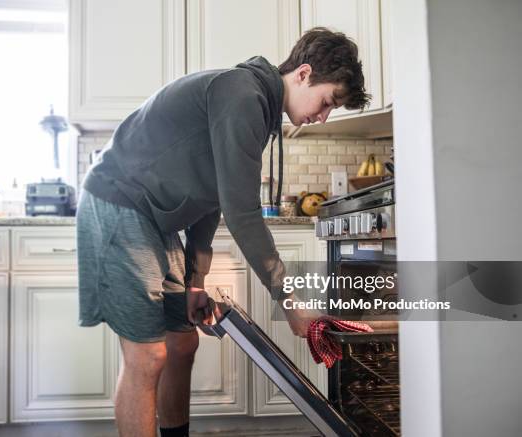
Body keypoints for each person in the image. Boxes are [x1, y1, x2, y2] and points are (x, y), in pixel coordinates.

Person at [76, 27, 370, 437]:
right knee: (147, 358)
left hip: (155, 222)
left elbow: (212, 198)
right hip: (119, 205)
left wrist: (196, 280)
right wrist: (288, 299)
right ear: (303, 74)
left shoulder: (258, 107)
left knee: (183, 345)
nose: (323, 116)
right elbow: (242, 212)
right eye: (327, 102)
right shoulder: (242, 95)